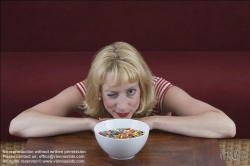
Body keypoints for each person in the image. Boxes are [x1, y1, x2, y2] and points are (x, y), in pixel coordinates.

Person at [9, 42, 236, 138]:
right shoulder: (84, 90)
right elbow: (18, 125)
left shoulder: (158, 89)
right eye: (111, 94)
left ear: (142, 86)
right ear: (98, 91)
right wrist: (90, 124)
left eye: (131, 92)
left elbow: (225, 126)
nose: (123, 106)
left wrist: (152, 122)